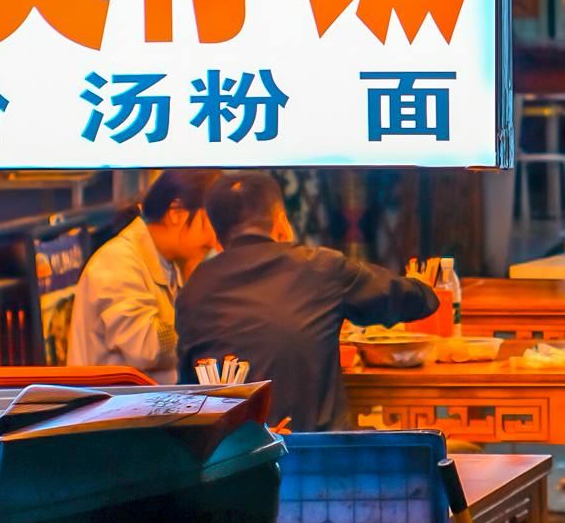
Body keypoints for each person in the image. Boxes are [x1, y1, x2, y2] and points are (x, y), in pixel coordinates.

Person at [175, 172, 444, 429]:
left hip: (232, 463)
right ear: (282, 223)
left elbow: (189, 389)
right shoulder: (320, 267)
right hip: (317, 457)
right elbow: (413, 300)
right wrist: (428, 289)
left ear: (217, 234)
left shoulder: (193, 290)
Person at [66, 169, 218, 382]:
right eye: (211, 219)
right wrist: (209, 328)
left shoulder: (168, 262)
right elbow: (146, 346)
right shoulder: (118, 261)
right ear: (176, 212)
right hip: (112, 412)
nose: (214, 238)